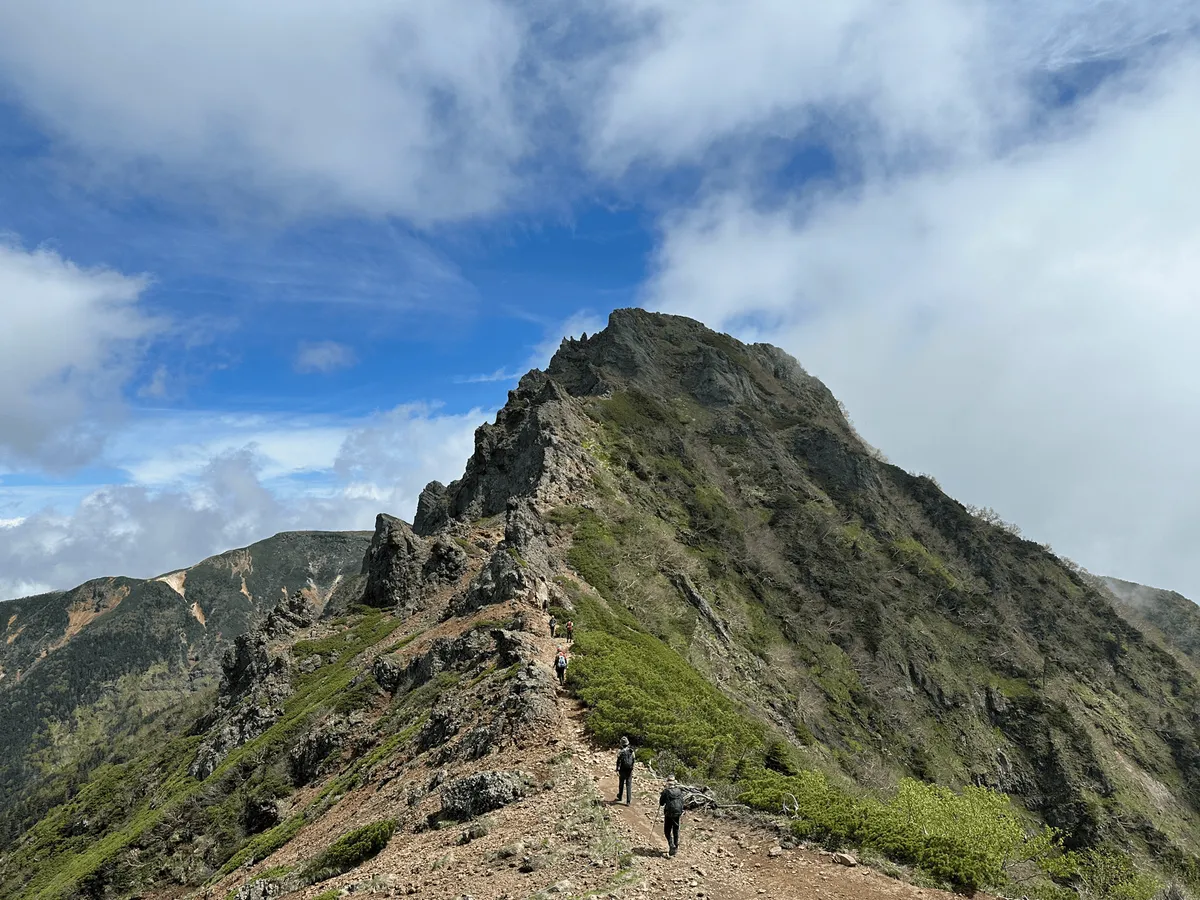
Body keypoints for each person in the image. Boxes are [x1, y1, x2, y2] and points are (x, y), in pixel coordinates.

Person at [659, 776, 685, 857]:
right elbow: (682, 801)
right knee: (676, 829)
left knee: (667, 830)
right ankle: (676, 846)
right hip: (678, 813)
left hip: (669, 813)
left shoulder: (666, 791)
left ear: (667, 782)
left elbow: (661, 803)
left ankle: (671, 845)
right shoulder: (679, 791)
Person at [615, 736, 635, 805]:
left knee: (621, 783)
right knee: (628, 785)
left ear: (621, 744)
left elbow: (618, 761)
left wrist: (617, 769)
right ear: (627, 743)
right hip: (629, 770)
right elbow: (633, 760)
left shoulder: (621, 752)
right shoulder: (631, 751)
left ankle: (620, 797)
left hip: (622, 770)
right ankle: (628, 801)